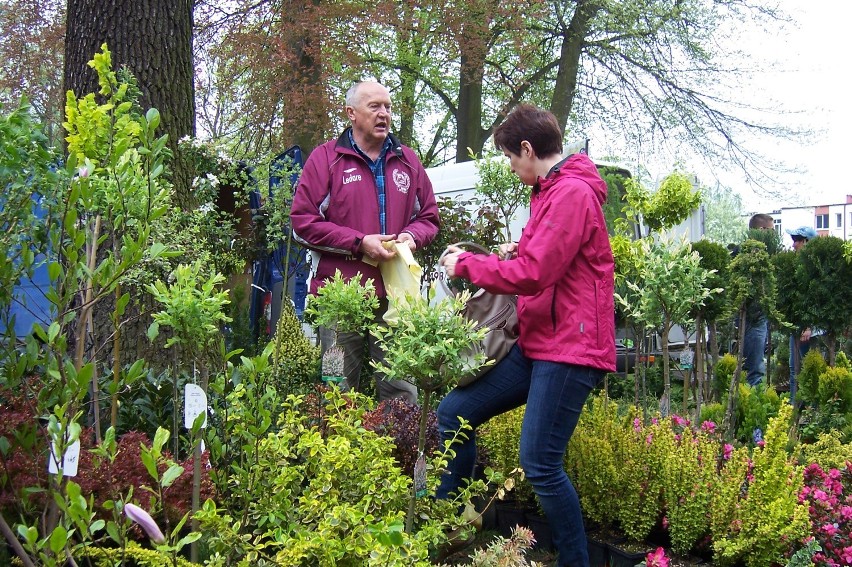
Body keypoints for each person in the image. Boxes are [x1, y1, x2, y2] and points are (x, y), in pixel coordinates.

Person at [437, 104, 615, 567]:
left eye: (510, 159)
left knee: (539, 463)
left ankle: (576, 563)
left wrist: (467, 265)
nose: (512, 168)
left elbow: (536, 273)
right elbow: (546, 254)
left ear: (528, 149)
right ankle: (450, 526)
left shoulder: (572, 193)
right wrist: (516, 247)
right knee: (455, 412)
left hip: (570, 350)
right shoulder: (549, 190)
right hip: (539, 344)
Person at [290, 81, 440, 404]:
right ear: (351, 114)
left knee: (402, 393)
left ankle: (402, 454)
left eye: (387, 107)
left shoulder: (408, 162)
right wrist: (359, 243)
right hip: (338, 300)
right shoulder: (325, 160)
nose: (384, 113)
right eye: (374, 107)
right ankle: (338, 455)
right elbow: (301, 225)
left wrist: (412, 236)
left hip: (395, 299)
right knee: (336, 390)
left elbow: (429, 217)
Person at [785, 225, 818, 402]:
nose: (794, 245)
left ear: (807, 242)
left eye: (797, 240)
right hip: (797, 327)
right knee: (794, 369)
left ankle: (811, 410)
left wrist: (808, 326)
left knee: (809, 369)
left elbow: (815, 300)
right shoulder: (798, 266)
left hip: (810, 331)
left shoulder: (815, 268)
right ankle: (794, 408)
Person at [741, 213, 775, 387]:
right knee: (754, 368)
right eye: (771, 231)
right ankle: (754, 403)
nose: (774, 236)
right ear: (761, 230)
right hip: (754, 317)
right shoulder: (749, 257)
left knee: (754, 365)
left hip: (761, 316)